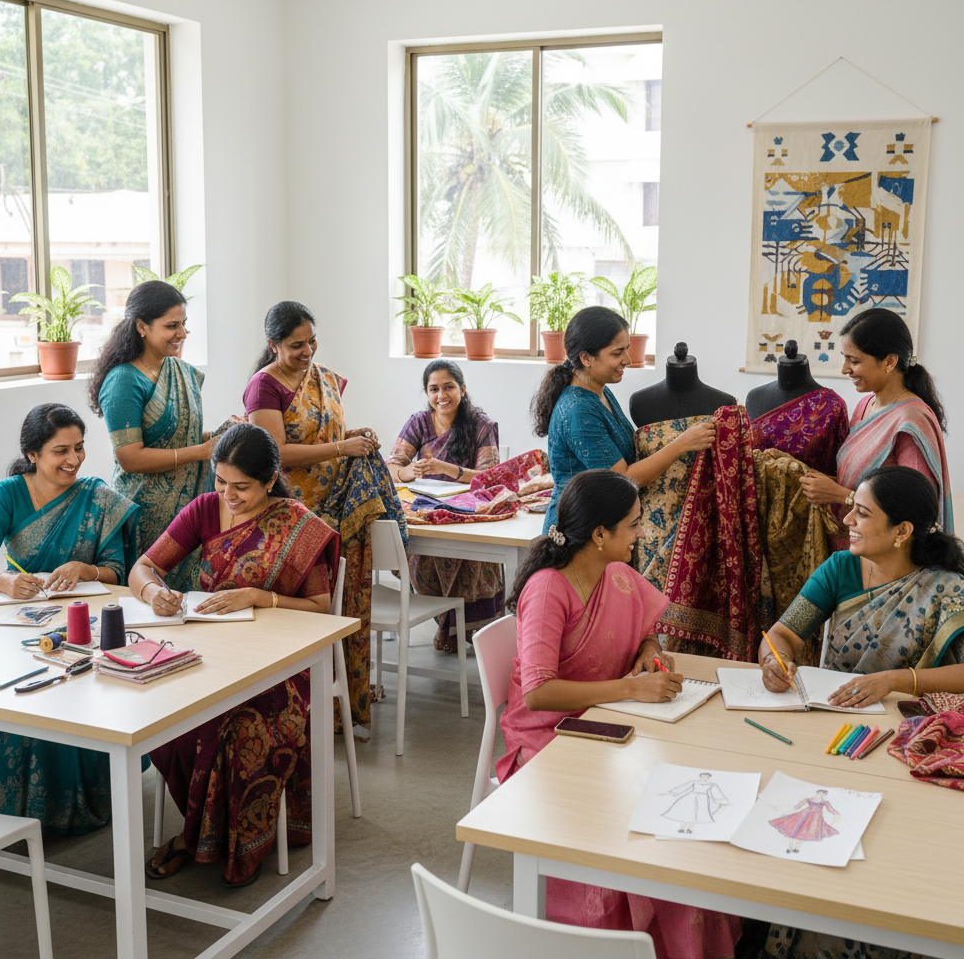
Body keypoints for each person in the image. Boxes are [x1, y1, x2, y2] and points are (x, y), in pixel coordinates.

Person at [497, 469, 743, 958]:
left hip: (609, 719)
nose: (642, 533)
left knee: (684, 801)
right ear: (600, 534)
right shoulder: (549, 590)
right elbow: (540, 694)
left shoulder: (616, 575)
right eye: (633, 525)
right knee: (650, 815)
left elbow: (649, 628)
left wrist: (648, 653)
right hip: (551, 739)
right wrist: (633, 687)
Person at [758, 466, 964, 959]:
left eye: (862, 512)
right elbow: (784, 632)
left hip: (910, 740)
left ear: (902, 532)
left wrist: (895, 679)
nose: (847, 518)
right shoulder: (840, 570)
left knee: (886, 855)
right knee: (821, 837)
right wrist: (773, 659)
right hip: (837, 732)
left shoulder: (947, 587)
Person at [131, 424, 339, 886]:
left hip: (281, 665)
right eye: (220, 481)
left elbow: (322, 610)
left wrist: (260, 597)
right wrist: (152, 593)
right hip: (210, 652)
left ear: (269, 480)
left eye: (241, 486)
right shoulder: (204, 510)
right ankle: (204, 831)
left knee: (237, 729)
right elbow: (144, 567)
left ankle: (213, 838)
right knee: (166, 723)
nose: (228, 495)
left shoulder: (297, 523)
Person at [0, 403, 139, 834]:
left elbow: (117, 571)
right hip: (21, 623)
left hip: (83, 622)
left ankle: (74, 806)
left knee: (73, 699)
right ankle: (12, 814)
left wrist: (85, 570)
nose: (74, 460)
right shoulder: (7, 493)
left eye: (79, 448)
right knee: (19, 697)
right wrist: (4, 581)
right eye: (61, 451)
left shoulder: (96, 496)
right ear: (33, 454)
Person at [244, 300, 406, 739]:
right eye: (296, 345)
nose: (307, 351)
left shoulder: (325, 379)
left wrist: (351, 437)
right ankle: (303, 715)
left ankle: (343, 710)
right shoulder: (264, 387)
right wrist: (340, 449)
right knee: (308, 616)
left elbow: (325, 435)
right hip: (294, 515)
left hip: (335, 513)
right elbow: (274, 451)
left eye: (312, 341)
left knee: (342, 607)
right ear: (273, 344)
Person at [89, 280, 236, 589]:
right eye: (172, 325)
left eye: (183, 324)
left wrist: (223, 434)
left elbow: (186, 435)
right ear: (142, 326)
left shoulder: (179, 371)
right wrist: (201, 451)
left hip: (191, 511)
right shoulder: (123, 381)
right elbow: (130, 457)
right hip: (146, 516)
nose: (181, 333)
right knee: (153, 601)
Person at [531, 305, 715, 534]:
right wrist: (682, 444)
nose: (627, 360)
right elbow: (623, 479)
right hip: (578, 533)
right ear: (586, 358)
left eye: (626, 350)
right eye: (617, 353)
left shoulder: (601, 392)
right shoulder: (579, 410)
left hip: (601, 524)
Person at [799, 308, 953, 536]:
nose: (845, 369)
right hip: (853, 541)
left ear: (890, 361)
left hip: (886, 557)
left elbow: (916, 506)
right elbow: (861, 480)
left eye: (854, 361)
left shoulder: (911, 421)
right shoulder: (865, 406)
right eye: (844, 358)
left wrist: (841, 496)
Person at [387, 360, 503, 651]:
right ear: (426, 393)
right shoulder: (419, 422)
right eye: (434, 389)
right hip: (428, 509)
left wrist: (448, 469)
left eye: (449, 387)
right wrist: (407, 472)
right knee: (420, 553)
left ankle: (457, 629)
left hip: (468, 512)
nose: (442, 395)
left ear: (462, 389)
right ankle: (447, 625)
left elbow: (490, 479)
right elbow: (389, 467)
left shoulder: (482, 426)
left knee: (470, 559)